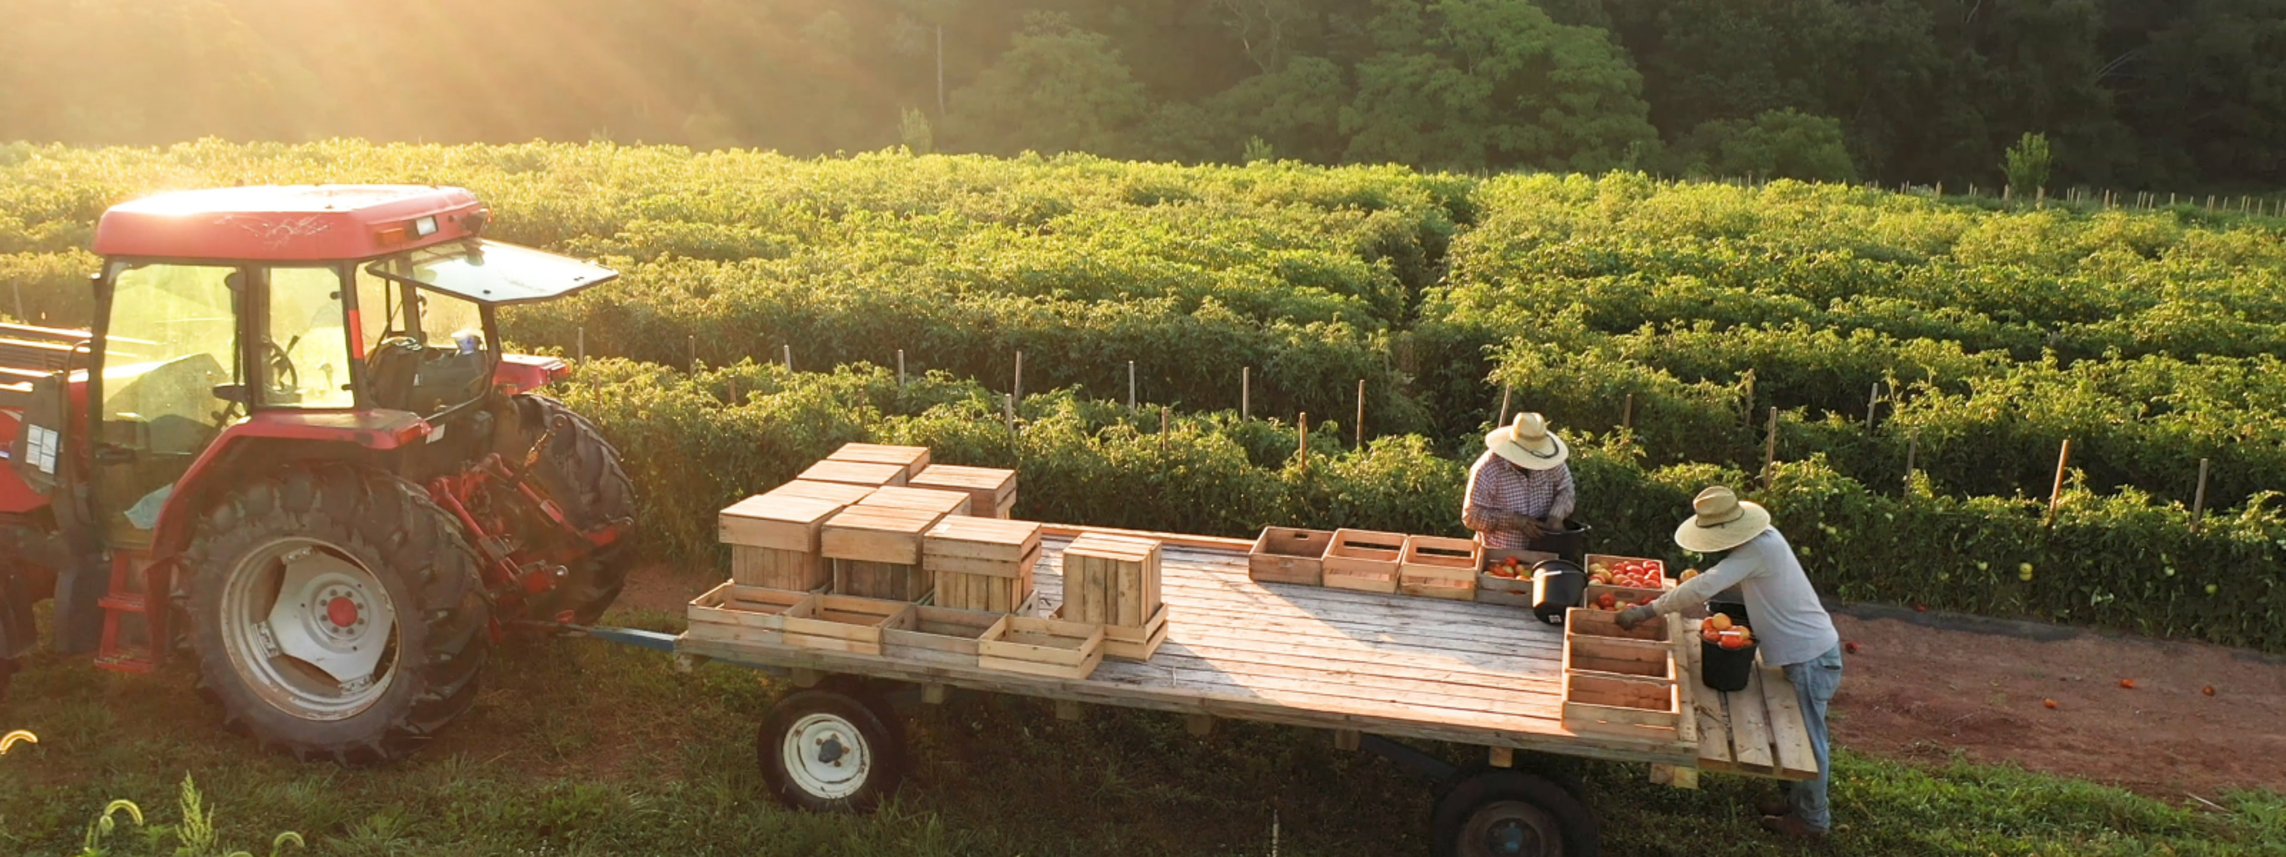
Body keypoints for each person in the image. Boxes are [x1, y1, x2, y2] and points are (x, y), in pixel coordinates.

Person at [1616, 486, 1842, 840]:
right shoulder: (1763, 540)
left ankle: (1813, 821)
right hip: (1804, 652)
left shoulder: (1758, 549)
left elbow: (1704, 586)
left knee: (1809, 742)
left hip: (1810, 656)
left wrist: (1648, 610)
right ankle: (1795, 803)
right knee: (1796, 734)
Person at [1461, 412, 1575, 549]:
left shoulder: (1549, 461)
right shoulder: (1487, 469)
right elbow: (1471, 516)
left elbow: (1566, 488)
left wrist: (1556, 516)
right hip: (1500, 554)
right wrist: (1514, 521)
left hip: (1544, 551)